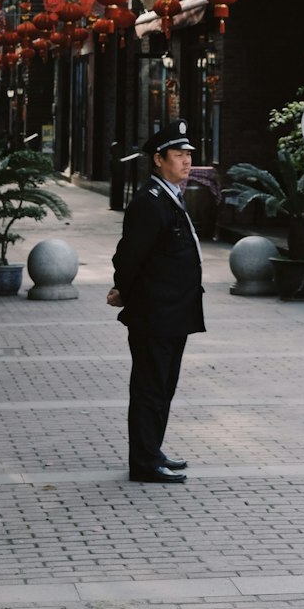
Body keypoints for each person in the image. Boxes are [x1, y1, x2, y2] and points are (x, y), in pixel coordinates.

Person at [107, 120, 204, 484]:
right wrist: (123, 290)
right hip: (156, 314)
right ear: (158, 159)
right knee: (150, 387)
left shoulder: (169, 197)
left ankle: (153, 450)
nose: (186, 162)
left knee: (163, 386)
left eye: (188, 155)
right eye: (178, 155)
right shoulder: (150, 201)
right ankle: (144, 462)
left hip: (174, 312)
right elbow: (130, 255)